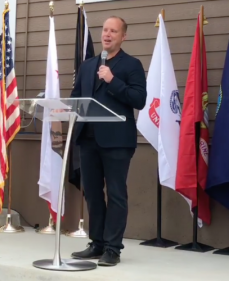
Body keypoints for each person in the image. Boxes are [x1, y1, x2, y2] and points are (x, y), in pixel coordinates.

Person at [70, 16, 147, 266]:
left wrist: (113, 80)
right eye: (105, 30)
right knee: (92, 193)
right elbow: (75, 98)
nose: (107, 34)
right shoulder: (88, 65)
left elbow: (139, 100)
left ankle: (113, 248)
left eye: (113, 31)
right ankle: (97, 243)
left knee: (115, 194)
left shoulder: (131, 65)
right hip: (88, 139)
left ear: (123, 36)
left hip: (117, 141)